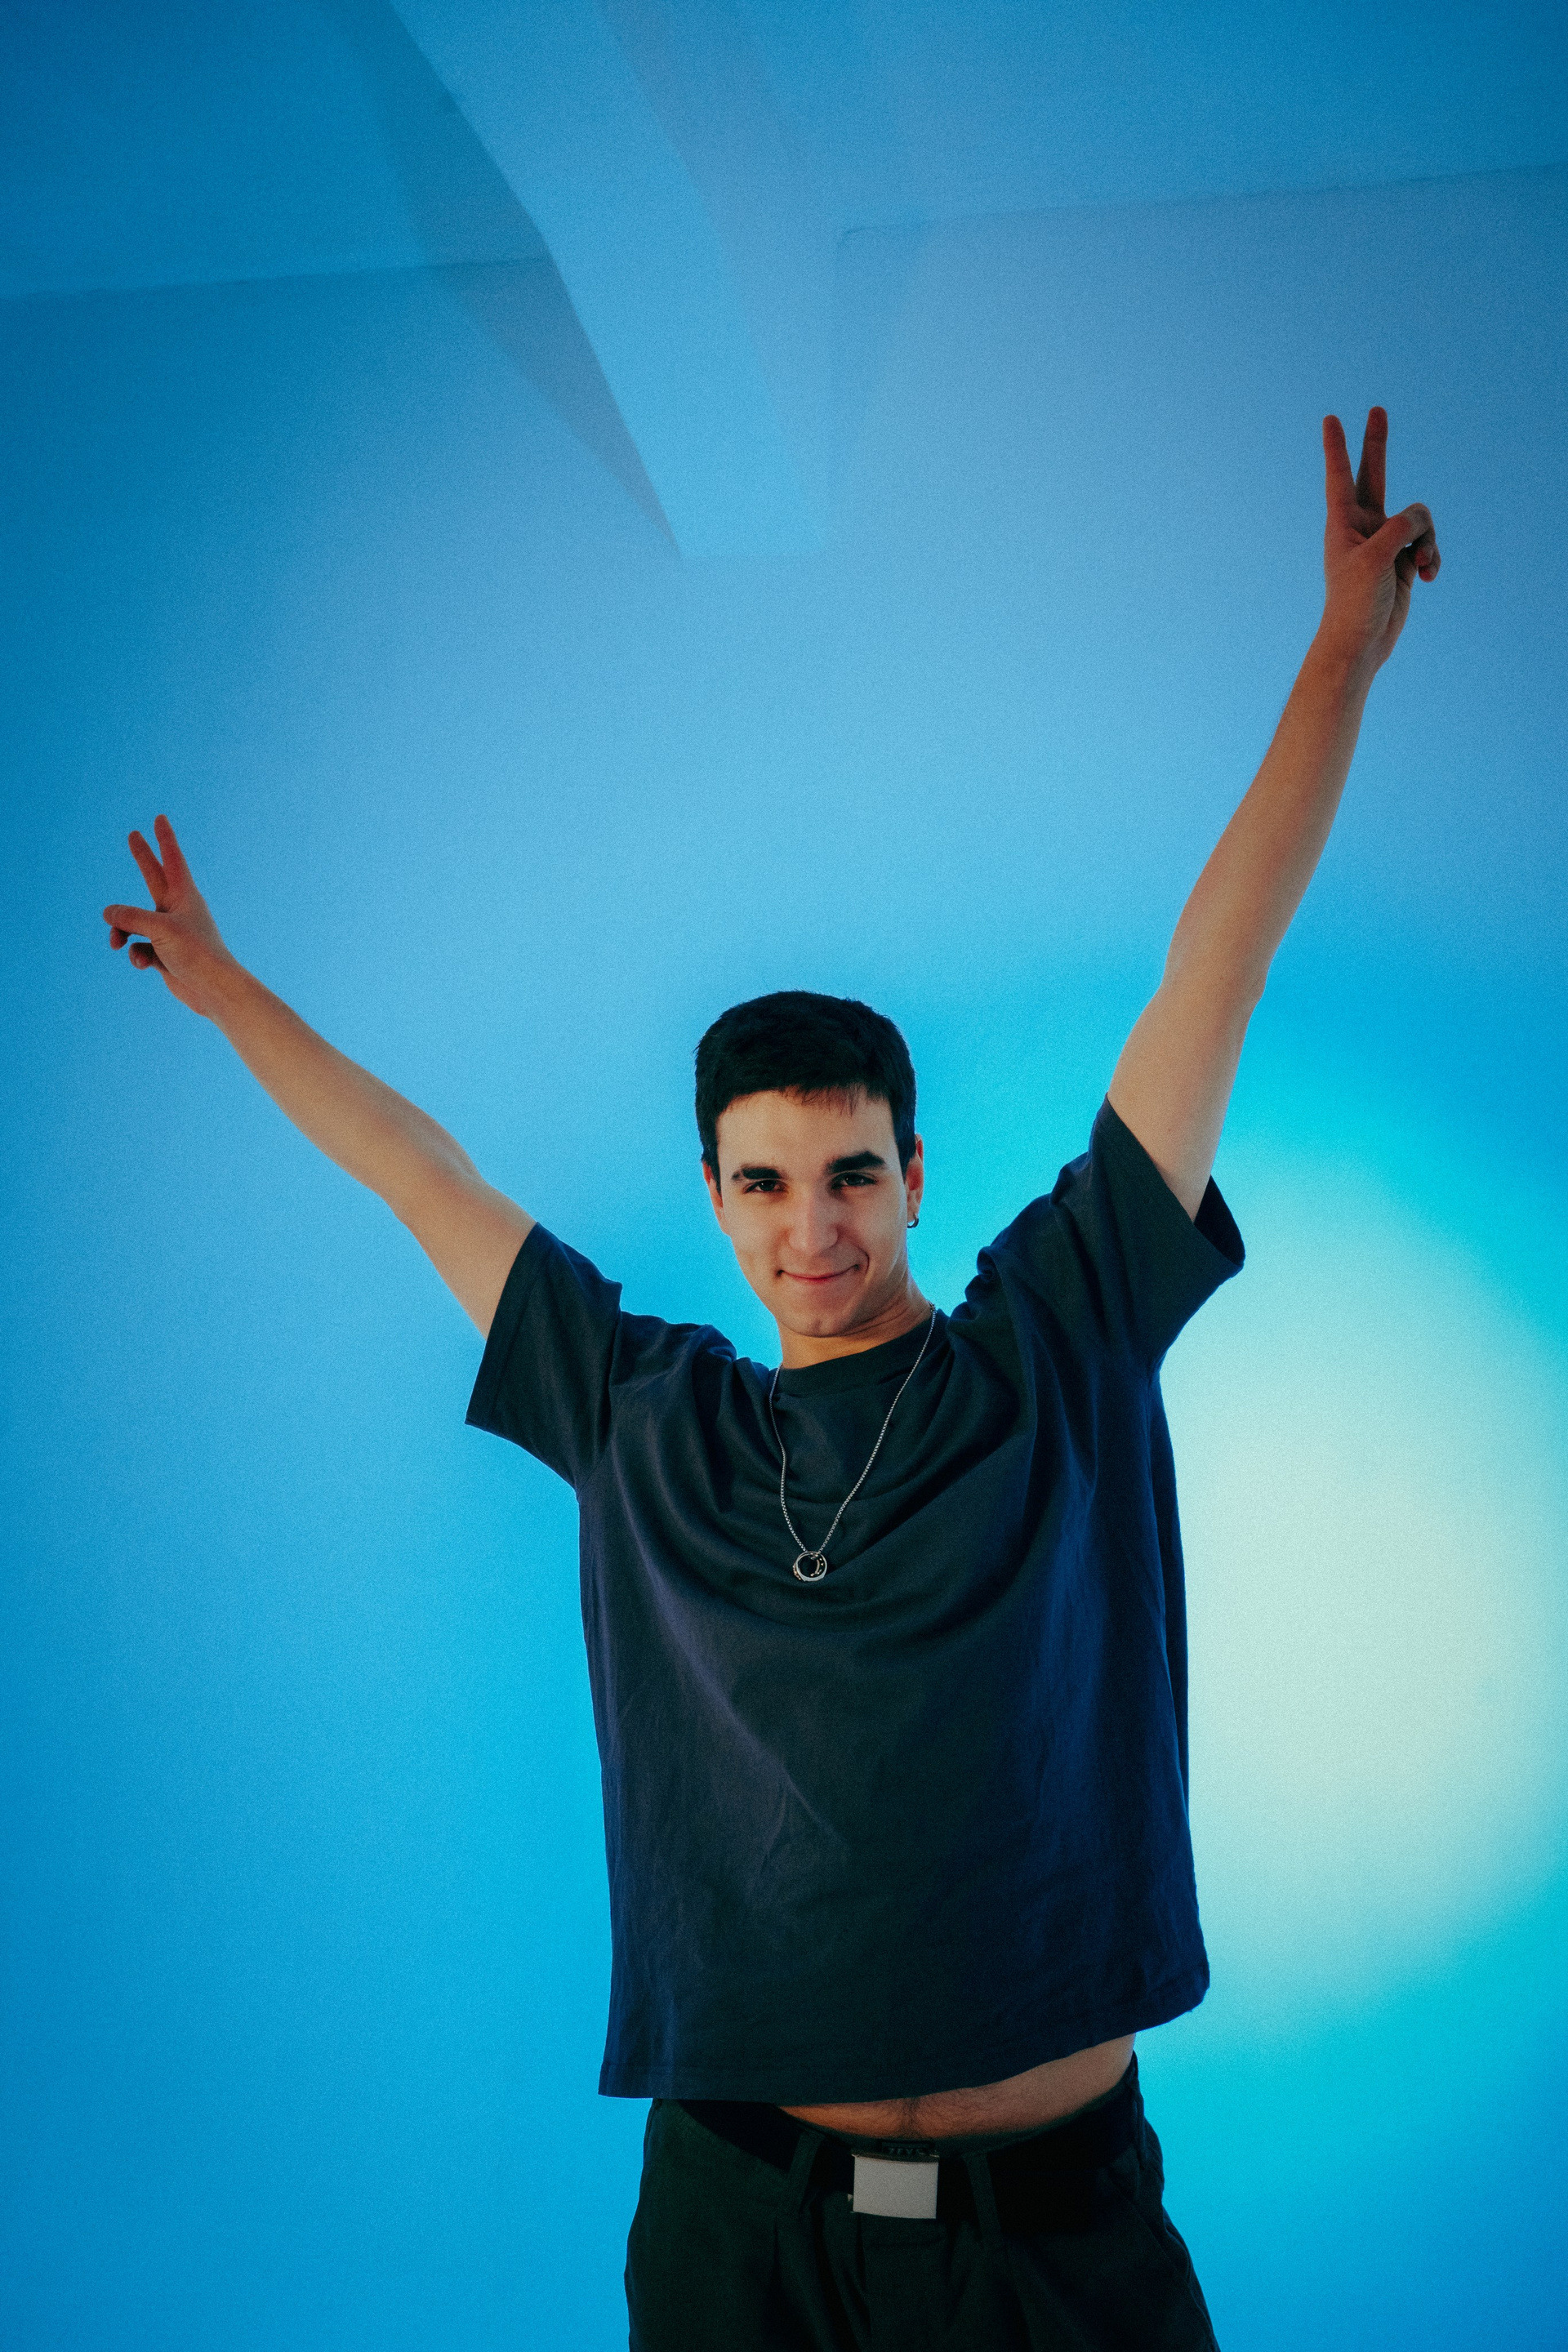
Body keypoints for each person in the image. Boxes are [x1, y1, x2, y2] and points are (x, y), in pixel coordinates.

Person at [104, 411, 1438, 2350]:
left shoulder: (1058, 1336)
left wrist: (1338, 657)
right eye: (765, 1183)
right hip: (747, 2231)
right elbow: (420, 1171)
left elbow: (1209, 974)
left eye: (851, 1176)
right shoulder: (640, 1412)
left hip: (1052, 2228)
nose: (814, 1226)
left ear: (915, 1175)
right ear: (716, 1195)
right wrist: (226, 990)